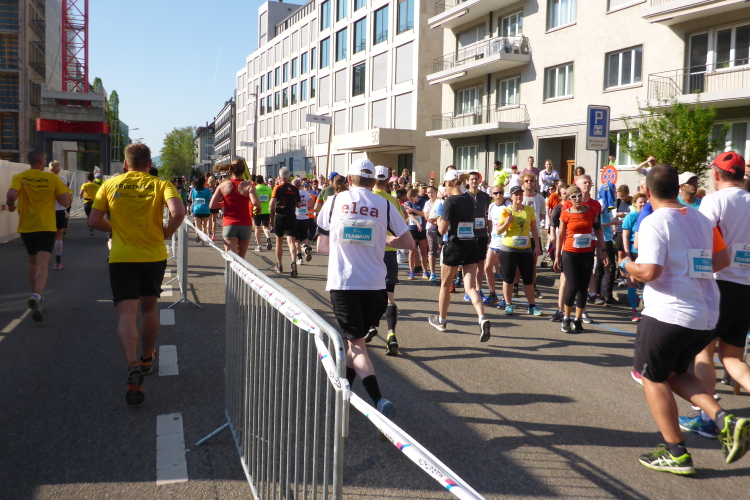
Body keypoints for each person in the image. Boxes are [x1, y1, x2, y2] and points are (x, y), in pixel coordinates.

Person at [620, 163, 748, 475]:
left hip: (668, 313)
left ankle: (676, 453)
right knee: (675, 374)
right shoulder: (701, 218)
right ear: (678, 189)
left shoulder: (654, 220)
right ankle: (725, 419)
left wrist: (626, 265)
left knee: (652, 377)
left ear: (646, 191)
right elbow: (722, 259)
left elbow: (650, 271)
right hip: (704, 314)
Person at [88, 143, 185, 405]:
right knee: (149, 309)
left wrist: (116, 229)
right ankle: (145, 358)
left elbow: (93, 221)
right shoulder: (161, 184)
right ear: (150, 163)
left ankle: (131, 365)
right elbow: (178, 212)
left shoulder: (110, 184)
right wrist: (167, 232)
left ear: (125, 164)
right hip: (153, 255)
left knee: (126, 314)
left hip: (122, 257)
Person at [317, 160, 413, 424]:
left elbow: (322, 248)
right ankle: (343, 393)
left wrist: (346, 238)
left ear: (349, 179)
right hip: (376, 287)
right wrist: (383, 238)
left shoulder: (334, 202)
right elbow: (408, 243)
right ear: (374, 182)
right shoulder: (384, 204)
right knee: (355, 341)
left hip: (345, 284)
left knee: (357, 346)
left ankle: (378, 400)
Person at [680, 152, 750, 438]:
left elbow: (701, 243)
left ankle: (708, 419)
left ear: (717, 174)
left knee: (703, 353)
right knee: (732, 358)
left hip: (718, 284)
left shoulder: (713, 201)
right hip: (746, 286)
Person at [5, 150, 71, 321]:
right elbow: (65, 202)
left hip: (27, 226)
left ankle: (35, 295)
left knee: (32, 261)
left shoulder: (20, 177)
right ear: (42, 161)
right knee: (43, 262)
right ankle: (37, 295)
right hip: (46, 226)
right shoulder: (52, 178)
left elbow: (11, 195)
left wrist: (11, 204)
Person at [428, 170, 491, 341]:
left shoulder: (450, 201)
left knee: (445, 285)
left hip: (455, 245)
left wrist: (438, 219)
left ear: (448, 183)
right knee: (470, 287)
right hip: (470, 243)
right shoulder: (470, 198)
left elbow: (442, 230)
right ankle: (482, 318)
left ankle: (442, 321)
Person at [555, 186, 608, 333]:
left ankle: (577, 320)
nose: (577, 199)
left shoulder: (591, 211)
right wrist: (557, 255)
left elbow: (598, 231)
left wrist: (603, 250)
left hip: (587, 253)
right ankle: (566, 318)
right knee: (572, 287)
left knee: (583, 288)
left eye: (579, 195)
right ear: (569, 199)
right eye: (574, 197)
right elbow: (561, 235)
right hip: (570, 253)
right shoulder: (565, 214)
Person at [369, 165, 410, 355]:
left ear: (373, 180)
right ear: (388, 181)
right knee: (389, 296)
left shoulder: (368, 198)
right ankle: (391, 334)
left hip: (370, 251)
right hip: (389, 252)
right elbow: (401, 224)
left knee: (369, 291)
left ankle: (370, 325)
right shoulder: (392, 200)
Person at [495, 185, 542, 315]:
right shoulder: (506, 211)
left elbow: (534, 229)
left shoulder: (529, 210)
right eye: (516, 194)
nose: (519, 196)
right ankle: (508, 304)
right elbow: (498, 231)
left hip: (525, 248)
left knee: (528, 278)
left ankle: (532, 305)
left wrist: (537, 246)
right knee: (508, 278)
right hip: (508, 249)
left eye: (520, 194)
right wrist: (507, 222)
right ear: (511, 197)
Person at [209, 160, 261, 259]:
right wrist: (259, 208)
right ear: (244, 171)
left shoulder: (223, 185)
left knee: (232, 260)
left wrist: (226, 202)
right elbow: (255, 202)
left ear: (231, 170)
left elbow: (212, 205)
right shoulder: (249, 186)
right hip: (245, 224)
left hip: (229, 224)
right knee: (241, 260)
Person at [270, 167, 302, 277]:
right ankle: (293, 261)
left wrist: (272, 212)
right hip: (291, 215)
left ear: (280, 176)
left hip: (280, 215)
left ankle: (279, 265)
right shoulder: (294, 189)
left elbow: (272, 203)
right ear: (289, 176)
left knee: (279, 241)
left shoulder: (277, 188)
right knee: (291, 241)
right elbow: (299, 205)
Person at [466, 171, 492, 301]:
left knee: (481, 263)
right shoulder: (464, 196)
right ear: (468, 181)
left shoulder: (485, 196)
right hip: (468, 233)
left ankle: (479, 289)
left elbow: (490, 215)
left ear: (479, 181)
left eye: (476, 179)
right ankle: (468, 290)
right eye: (472, 179)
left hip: (482, 233)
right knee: (469, 264)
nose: (474, 181)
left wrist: (490, 233)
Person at [621, 193, 648, 321]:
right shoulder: (631, 217)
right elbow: (625, 236)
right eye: (640, 202)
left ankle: (647, 310)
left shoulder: (650, 215)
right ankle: (634, 311)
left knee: (647, 280)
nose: (643, 204)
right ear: (635, 203)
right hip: (633, 251)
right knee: (633, 281)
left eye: (645, 202)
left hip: (647, 251)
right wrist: (627, 254)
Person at [483, 186, 510, 305]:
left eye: (500, 192)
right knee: (487, 267)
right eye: (496, 193)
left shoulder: (508, 206)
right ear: (492, 195)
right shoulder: (491, 206)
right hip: (494, 241)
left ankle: (505, 298)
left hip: (505, 242)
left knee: (505, 271)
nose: (498, 195)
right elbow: (490, 222)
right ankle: (493, 294)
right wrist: (490, 235)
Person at [548, 185, 568, 322]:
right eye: (564, 193)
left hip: (579, 248)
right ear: (560, 196)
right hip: (563, 248)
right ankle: (560, 309)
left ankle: (580, 311)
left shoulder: (578, 208)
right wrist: (556, 249)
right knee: (564, 280)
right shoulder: (558, 209)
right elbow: (553, 230)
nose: (567, 195)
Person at [48, 160, 70, 270]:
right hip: (60, 209)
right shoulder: (62, 180)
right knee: (58, 236)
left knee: (47, 236)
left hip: (47, 211)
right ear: (59, 169)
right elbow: (65, 195)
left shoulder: (45, 179)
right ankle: (57, 262)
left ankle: (45, 259)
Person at [403, 188, 429, 279]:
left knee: (424, 251)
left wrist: (413, 210)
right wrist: (417, 222)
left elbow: (424, 214)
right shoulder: (408, 203)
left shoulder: (423, 202)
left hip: (423, 228)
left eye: (412, 198)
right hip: (412, 228)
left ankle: (425, 271)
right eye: (409, 199)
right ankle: (411, 271)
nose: (411, 200)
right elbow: (409, 214)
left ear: (416, 196)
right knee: (412, 250)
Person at [292, 178, 314, 265]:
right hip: (305, 217)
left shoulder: (293, 193)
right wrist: (307, 209)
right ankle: (305, 247)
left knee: (296, 240)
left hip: (296, 217)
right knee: (304, 238)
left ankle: (300, 258)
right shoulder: (306, 193)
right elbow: (312, 204)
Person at [252, 175, 273, 251]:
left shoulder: (255, 189)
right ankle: (268, 237)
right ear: (263, 181)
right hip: (266, 210)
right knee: (265, 227)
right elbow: (272, 198)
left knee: (257, 228)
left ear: (256, 181)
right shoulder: (268, 189)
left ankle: (259, 245)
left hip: (257, 210)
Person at [190, 176, 212, 245]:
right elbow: (210, 200)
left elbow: (192, 201)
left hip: (197, 210)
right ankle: (203, 242)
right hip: (205, 210)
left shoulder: (194, 191)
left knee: (197, 226)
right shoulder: (208, 191)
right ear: (204, 182)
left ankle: (197, 234)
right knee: (204, 226)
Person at [79, 172, 100, 237]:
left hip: (87, 202)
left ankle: (91, 229)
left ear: (87, 178)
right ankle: (93, 225)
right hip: (95, 203)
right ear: (93, 178)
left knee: (89, 216)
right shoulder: (97, 186)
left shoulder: (85, 185)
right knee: (94, 215)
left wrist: (80, 196)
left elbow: (81, 192)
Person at [206, 175, 220, 241]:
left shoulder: (206, 189)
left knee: (209, 220)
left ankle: (208, 235)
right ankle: (214, 235)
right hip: (215, 205)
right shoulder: (216, 188)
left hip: (208, 205)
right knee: (214, 220)